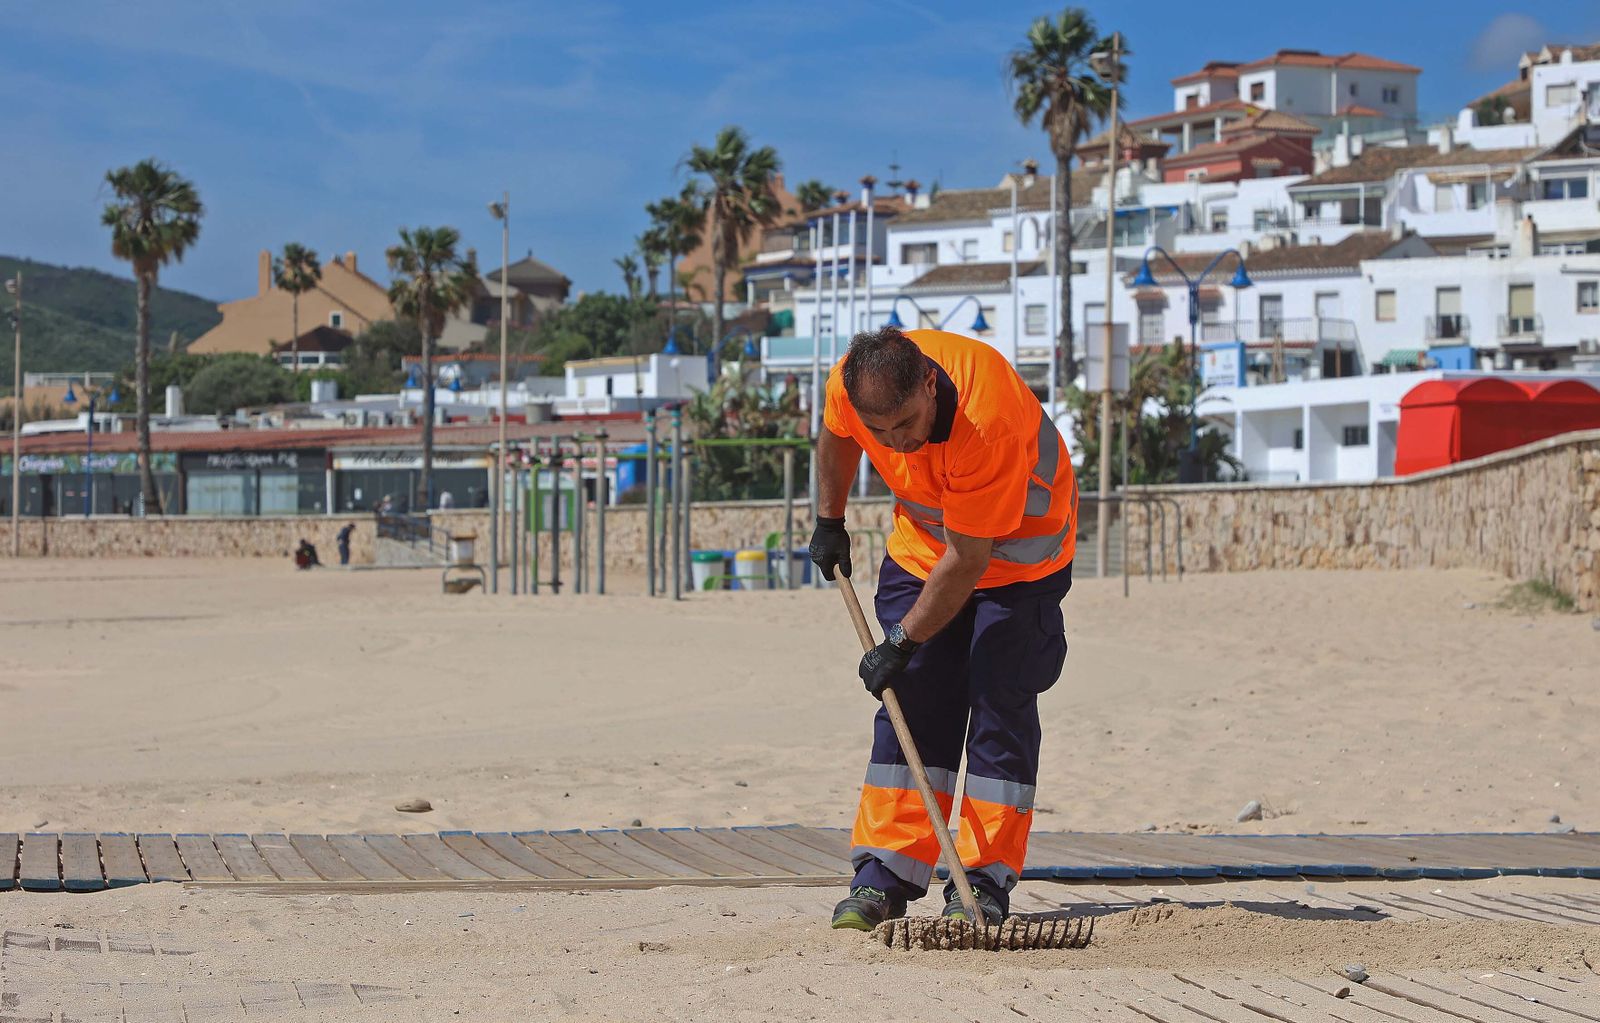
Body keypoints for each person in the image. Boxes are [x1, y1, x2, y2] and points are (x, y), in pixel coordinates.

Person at [810, 326, 1078, 932]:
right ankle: (884, 873)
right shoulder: (853, 386)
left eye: (905, 423)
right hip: (927, 549)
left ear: (930, 383)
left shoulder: (989, 423)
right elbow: (836, 438)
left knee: (996, 703)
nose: (896, 442)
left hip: (1018, 564)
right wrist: (830, 520)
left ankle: (982, 882)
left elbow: (969, 562)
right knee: (910, 698)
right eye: (881, 431)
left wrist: (901, 640)